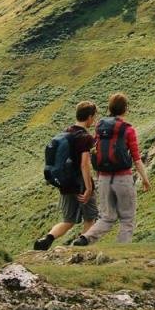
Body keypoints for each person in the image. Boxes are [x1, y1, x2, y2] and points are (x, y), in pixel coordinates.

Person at [73, 93, 151, 246]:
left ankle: (85, 238)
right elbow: (136, 158)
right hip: (123, 178)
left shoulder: (100, 126)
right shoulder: (128, 130)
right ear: (125, 109)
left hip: (103, 179)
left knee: (107, 217)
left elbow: (96, 150)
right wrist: (145, 180)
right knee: (127, 219)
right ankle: (121, 252)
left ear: (109, 108)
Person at [34, 101, 99, 250]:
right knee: (90, 218)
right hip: (81, 184)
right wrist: (89, 188)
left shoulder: (66, 132)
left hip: (66, 184)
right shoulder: (85, 137)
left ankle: (46, 239)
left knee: (68, 220)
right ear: (89, 117)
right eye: (93, 117)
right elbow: (84, 165)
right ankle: (81, 248)